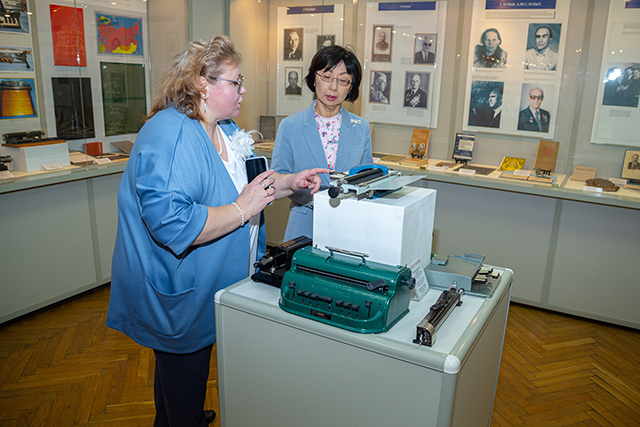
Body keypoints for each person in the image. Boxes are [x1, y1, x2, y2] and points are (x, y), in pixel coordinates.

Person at [106, 36, 327, 427]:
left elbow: (251, 185)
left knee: (181, 384)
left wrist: (290, 182)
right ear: (202, 84)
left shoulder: (223, 128)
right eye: (236, 82)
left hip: (217, 282)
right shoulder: (169, 134)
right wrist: (242, 210)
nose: (243, 90)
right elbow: (172, 223)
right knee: (182, 381)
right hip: (182, 293)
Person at [272, 45, 373, 241]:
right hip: (304, 223)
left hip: (348, 224)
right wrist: (315, 198)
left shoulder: (361, 127)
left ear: (351, 87)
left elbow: (366, 178)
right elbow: (278, 178)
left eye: (343, 80)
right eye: (327, 77)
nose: (333, 87)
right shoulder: (290, 126)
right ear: (314, 78)